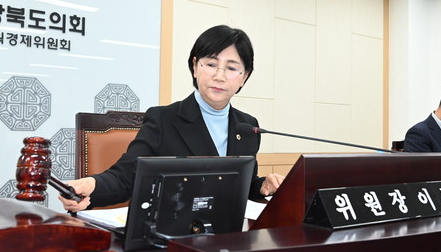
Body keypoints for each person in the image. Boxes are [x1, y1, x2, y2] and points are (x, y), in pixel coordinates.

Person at [58, 25, 285, 212]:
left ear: (244, 77)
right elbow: (126, 177)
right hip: (175, 232)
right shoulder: (163, 119)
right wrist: (92, 186)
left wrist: (261, 186)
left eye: (231, 68)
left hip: (228, 233)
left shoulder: (248, 126)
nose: (219, 76)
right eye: (211, 64)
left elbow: (240, 184)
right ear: (195, 67)